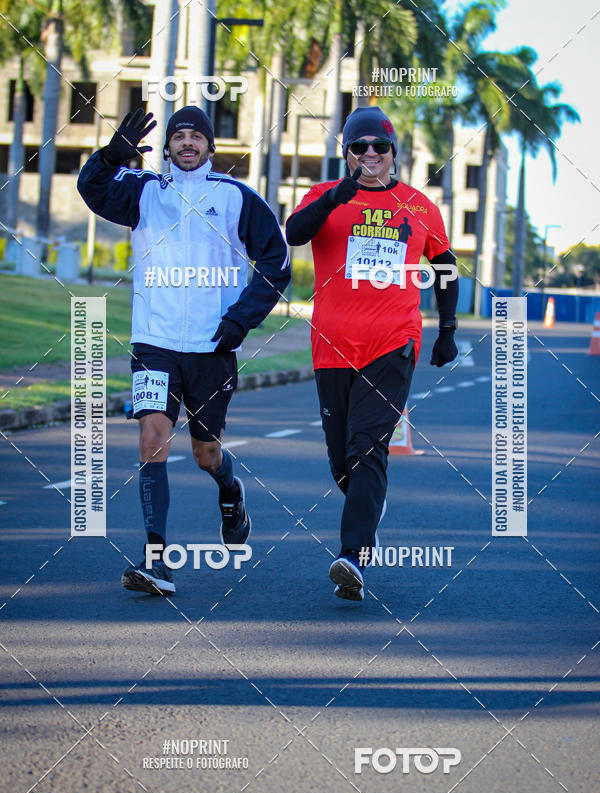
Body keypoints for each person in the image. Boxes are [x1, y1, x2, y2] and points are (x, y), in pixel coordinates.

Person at [78, 106, 290, 596]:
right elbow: (91, 191)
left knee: (205, 453)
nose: (187, 143)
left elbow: (276, 263)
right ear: (168, 146)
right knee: (152, 437)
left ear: (211, 147)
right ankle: (156, 560)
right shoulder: (143, 191)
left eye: (197, 136)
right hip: (154, 342)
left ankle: (230, 491)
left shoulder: (236, 197)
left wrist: (240, 319)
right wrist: (109, 156)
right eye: (179, 136)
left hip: (212, 347)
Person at [285, 106, 458, 602]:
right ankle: (368, 509)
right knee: (342, 459)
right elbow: (294, 234)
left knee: (367, 446)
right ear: (347, 153)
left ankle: (353, 554)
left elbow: (445, 266)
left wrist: (446, 330)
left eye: (379, 146)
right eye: (358, 146)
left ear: (393, 152)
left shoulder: (419, 206)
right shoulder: (322, 195)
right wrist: (334, 198)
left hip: (392, 342)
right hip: (332, 345)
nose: (370, 154)